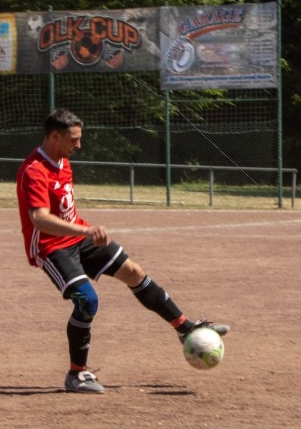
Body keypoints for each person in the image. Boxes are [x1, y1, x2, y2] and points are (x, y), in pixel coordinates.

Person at [17, 108, 229, 393]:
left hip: (78, 236)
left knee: (134, 272)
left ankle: (185, 327)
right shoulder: (34, 171)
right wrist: (85, 231)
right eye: (74, 139)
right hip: (51, 246)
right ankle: (76, 375)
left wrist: (82, 232)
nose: (79, 145)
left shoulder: (63, 160)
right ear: (55, 137)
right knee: (86, 300)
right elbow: (39, 218)